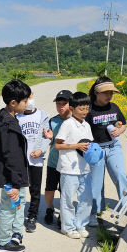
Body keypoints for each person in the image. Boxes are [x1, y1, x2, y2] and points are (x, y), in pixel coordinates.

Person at [86, 77, 127, 227]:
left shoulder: (114, 107)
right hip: (96, 149)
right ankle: (95, 211)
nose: (109, 95)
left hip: (113, 146)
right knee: (96, 182)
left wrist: (120, 130)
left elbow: (122, 125)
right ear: (96, 92)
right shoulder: (89, 109)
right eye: (106, 93)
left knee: (119, 174)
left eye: (111, 92)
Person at [0, 79, 31, 252]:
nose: (27, 103)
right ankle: (4, 243)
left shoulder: (6, 116)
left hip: (16, 176)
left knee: (18, 204)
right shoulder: (7, 125)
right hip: (11, 178)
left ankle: (16, 232)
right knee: (8, 208)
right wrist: (11, 184)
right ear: (13, 103)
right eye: (25, 101)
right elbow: (10, 157)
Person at [54, 91, 94, 239]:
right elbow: (57, 146)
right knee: (68, 199)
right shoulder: (67, 124)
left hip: (84, 168)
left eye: (87, 108)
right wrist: (76, 146)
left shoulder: (87, 125)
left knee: (86, 199)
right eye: (81, 109)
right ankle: (68, 227)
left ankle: (80, 225)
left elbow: (88, 145)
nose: (85, 112)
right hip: (69, 169)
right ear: (72, 108)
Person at [16, 91, 50, 233]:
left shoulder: (43, 115)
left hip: (36, 160)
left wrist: (41, 150)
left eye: (30, 97)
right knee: (18, 189)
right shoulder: (17, 116)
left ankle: (32, 216)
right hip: (20, 160)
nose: (29, 100)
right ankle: (17, 215)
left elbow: (47, 136)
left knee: (35, 190)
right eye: (25, 98)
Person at [43, 89, 73, 226]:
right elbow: (49, 142)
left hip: (69, 163)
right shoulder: (53, 121)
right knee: (50, 188)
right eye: (58, 104)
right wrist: (49, 138)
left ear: (70, 104)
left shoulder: (76, 121)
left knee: (65, 190)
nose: (60, 107)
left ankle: (63, 213)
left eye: (64, 103)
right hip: (53, 162)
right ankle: (49, 209)